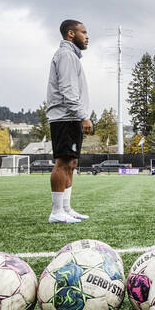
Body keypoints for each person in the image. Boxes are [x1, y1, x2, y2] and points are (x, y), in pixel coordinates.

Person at [46, 19, 93, 224]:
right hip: (65, 117)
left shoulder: (72, 56)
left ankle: (66, 208)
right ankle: (56, 212)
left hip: (70, 116)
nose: (87, 36)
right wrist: (83, 115)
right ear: (71, 34)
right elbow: (68, 90)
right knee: (63, 163)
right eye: (83, 32)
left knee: (71, 163)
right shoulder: (66, 55)